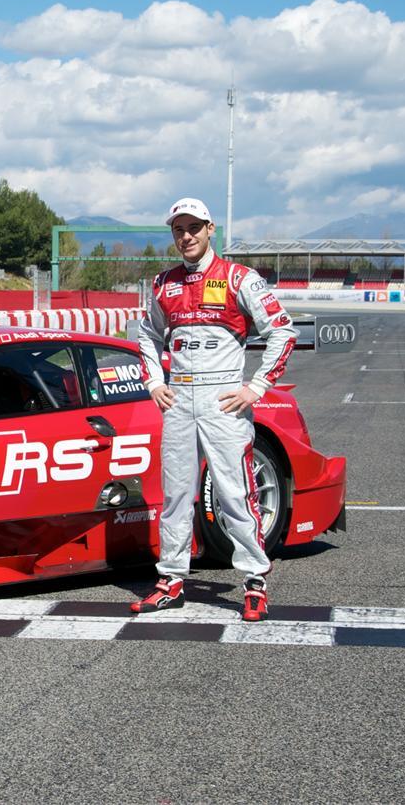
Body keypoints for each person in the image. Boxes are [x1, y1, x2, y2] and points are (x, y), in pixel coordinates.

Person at [131, 197, 297, 621]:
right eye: (178, 230)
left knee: (235, 493)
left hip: (223, 400)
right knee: (175, 497)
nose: (185, 236)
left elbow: (283, 332)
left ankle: (255, 581)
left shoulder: (241, 278)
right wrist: (153, 380)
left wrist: (255, 387)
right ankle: (170, 580)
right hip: (179, 400)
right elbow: (146, 335)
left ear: (210, 230)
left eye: (193, 228)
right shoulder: (162, 283)